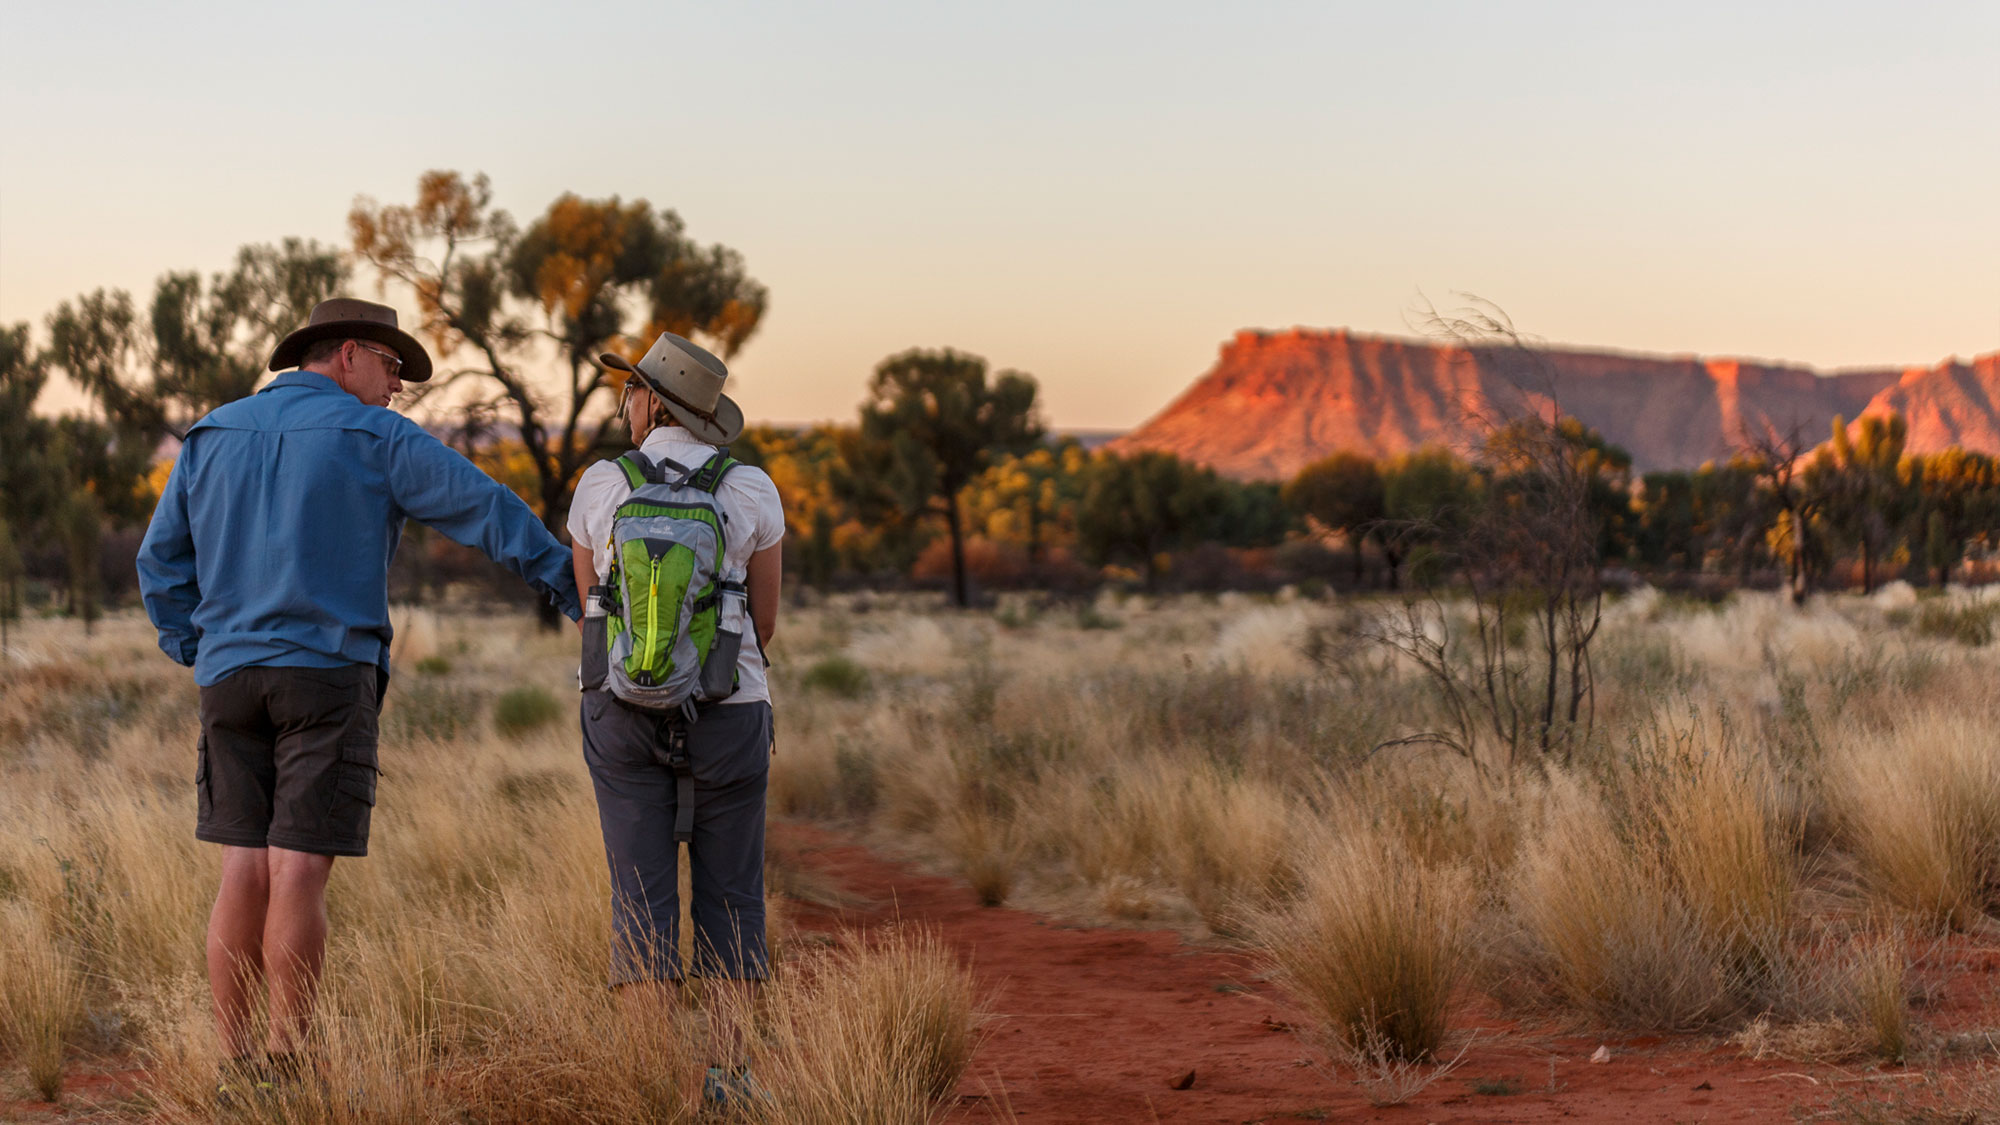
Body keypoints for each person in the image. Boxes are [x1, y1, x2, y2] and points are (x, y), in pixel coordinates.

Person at [137, 298, 582, 1098]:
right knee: (299, 869)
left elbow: (160, 559)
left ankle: (235, 1066)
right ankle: (286, 1061)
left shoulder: (210, 435)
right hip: (325, 675)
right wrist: (570, 583)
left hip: (229, 680)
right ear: (347, 355)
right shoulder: (372, 436)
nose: (395, 389)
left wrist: (197, 647)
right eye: (390, 369)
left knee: (244, 865)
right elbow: (484, 508)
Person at [567, 330, 783, 1103]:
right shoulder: (752, 488)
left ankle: (651, 1088)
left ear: (652, 400)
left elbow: (596, 614)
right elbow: (765, 623)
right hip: (731, 709)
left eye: (629, 390)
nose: (624, 402)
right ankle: (729, 1084)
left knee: (640, 900)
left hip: (622, 714)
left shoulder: (600, 485)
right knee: (732, 896)